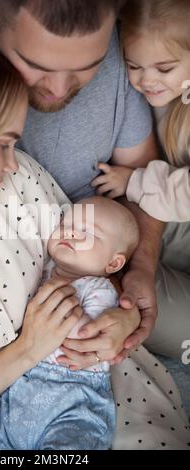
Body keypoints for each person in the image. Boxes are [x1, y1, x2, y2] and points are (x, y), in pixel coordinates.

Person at [0, 36, 189, 451]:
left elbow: (86, 257)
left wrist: (117, 317)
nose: (14, 161)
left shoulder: (16, 185)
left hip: (84, 378)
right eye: (2, 145)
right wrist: (27, 351)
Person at [0, 0, 164, 368]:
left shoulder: (117, 54)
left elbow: (145, 175)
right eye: (36, 66)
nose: (58, 88)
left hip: (117, 250)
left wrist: (140, 270)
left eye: (87, 68)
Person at [0, 196, 139, 450]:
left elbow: (85, 336)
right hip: (19, 394)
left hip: (73, 396)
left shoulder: (99, 289)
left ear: (113, 263)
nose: (71, 232)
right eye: (66, 223)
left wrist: (54, 296)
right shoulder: (41, 268)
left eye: (87, 233)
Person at [92, 0, 190, 358]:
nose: (146, 80)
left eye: (164, 68)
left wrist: (135, 181)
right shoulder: (164, 91)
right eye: (134, 66)